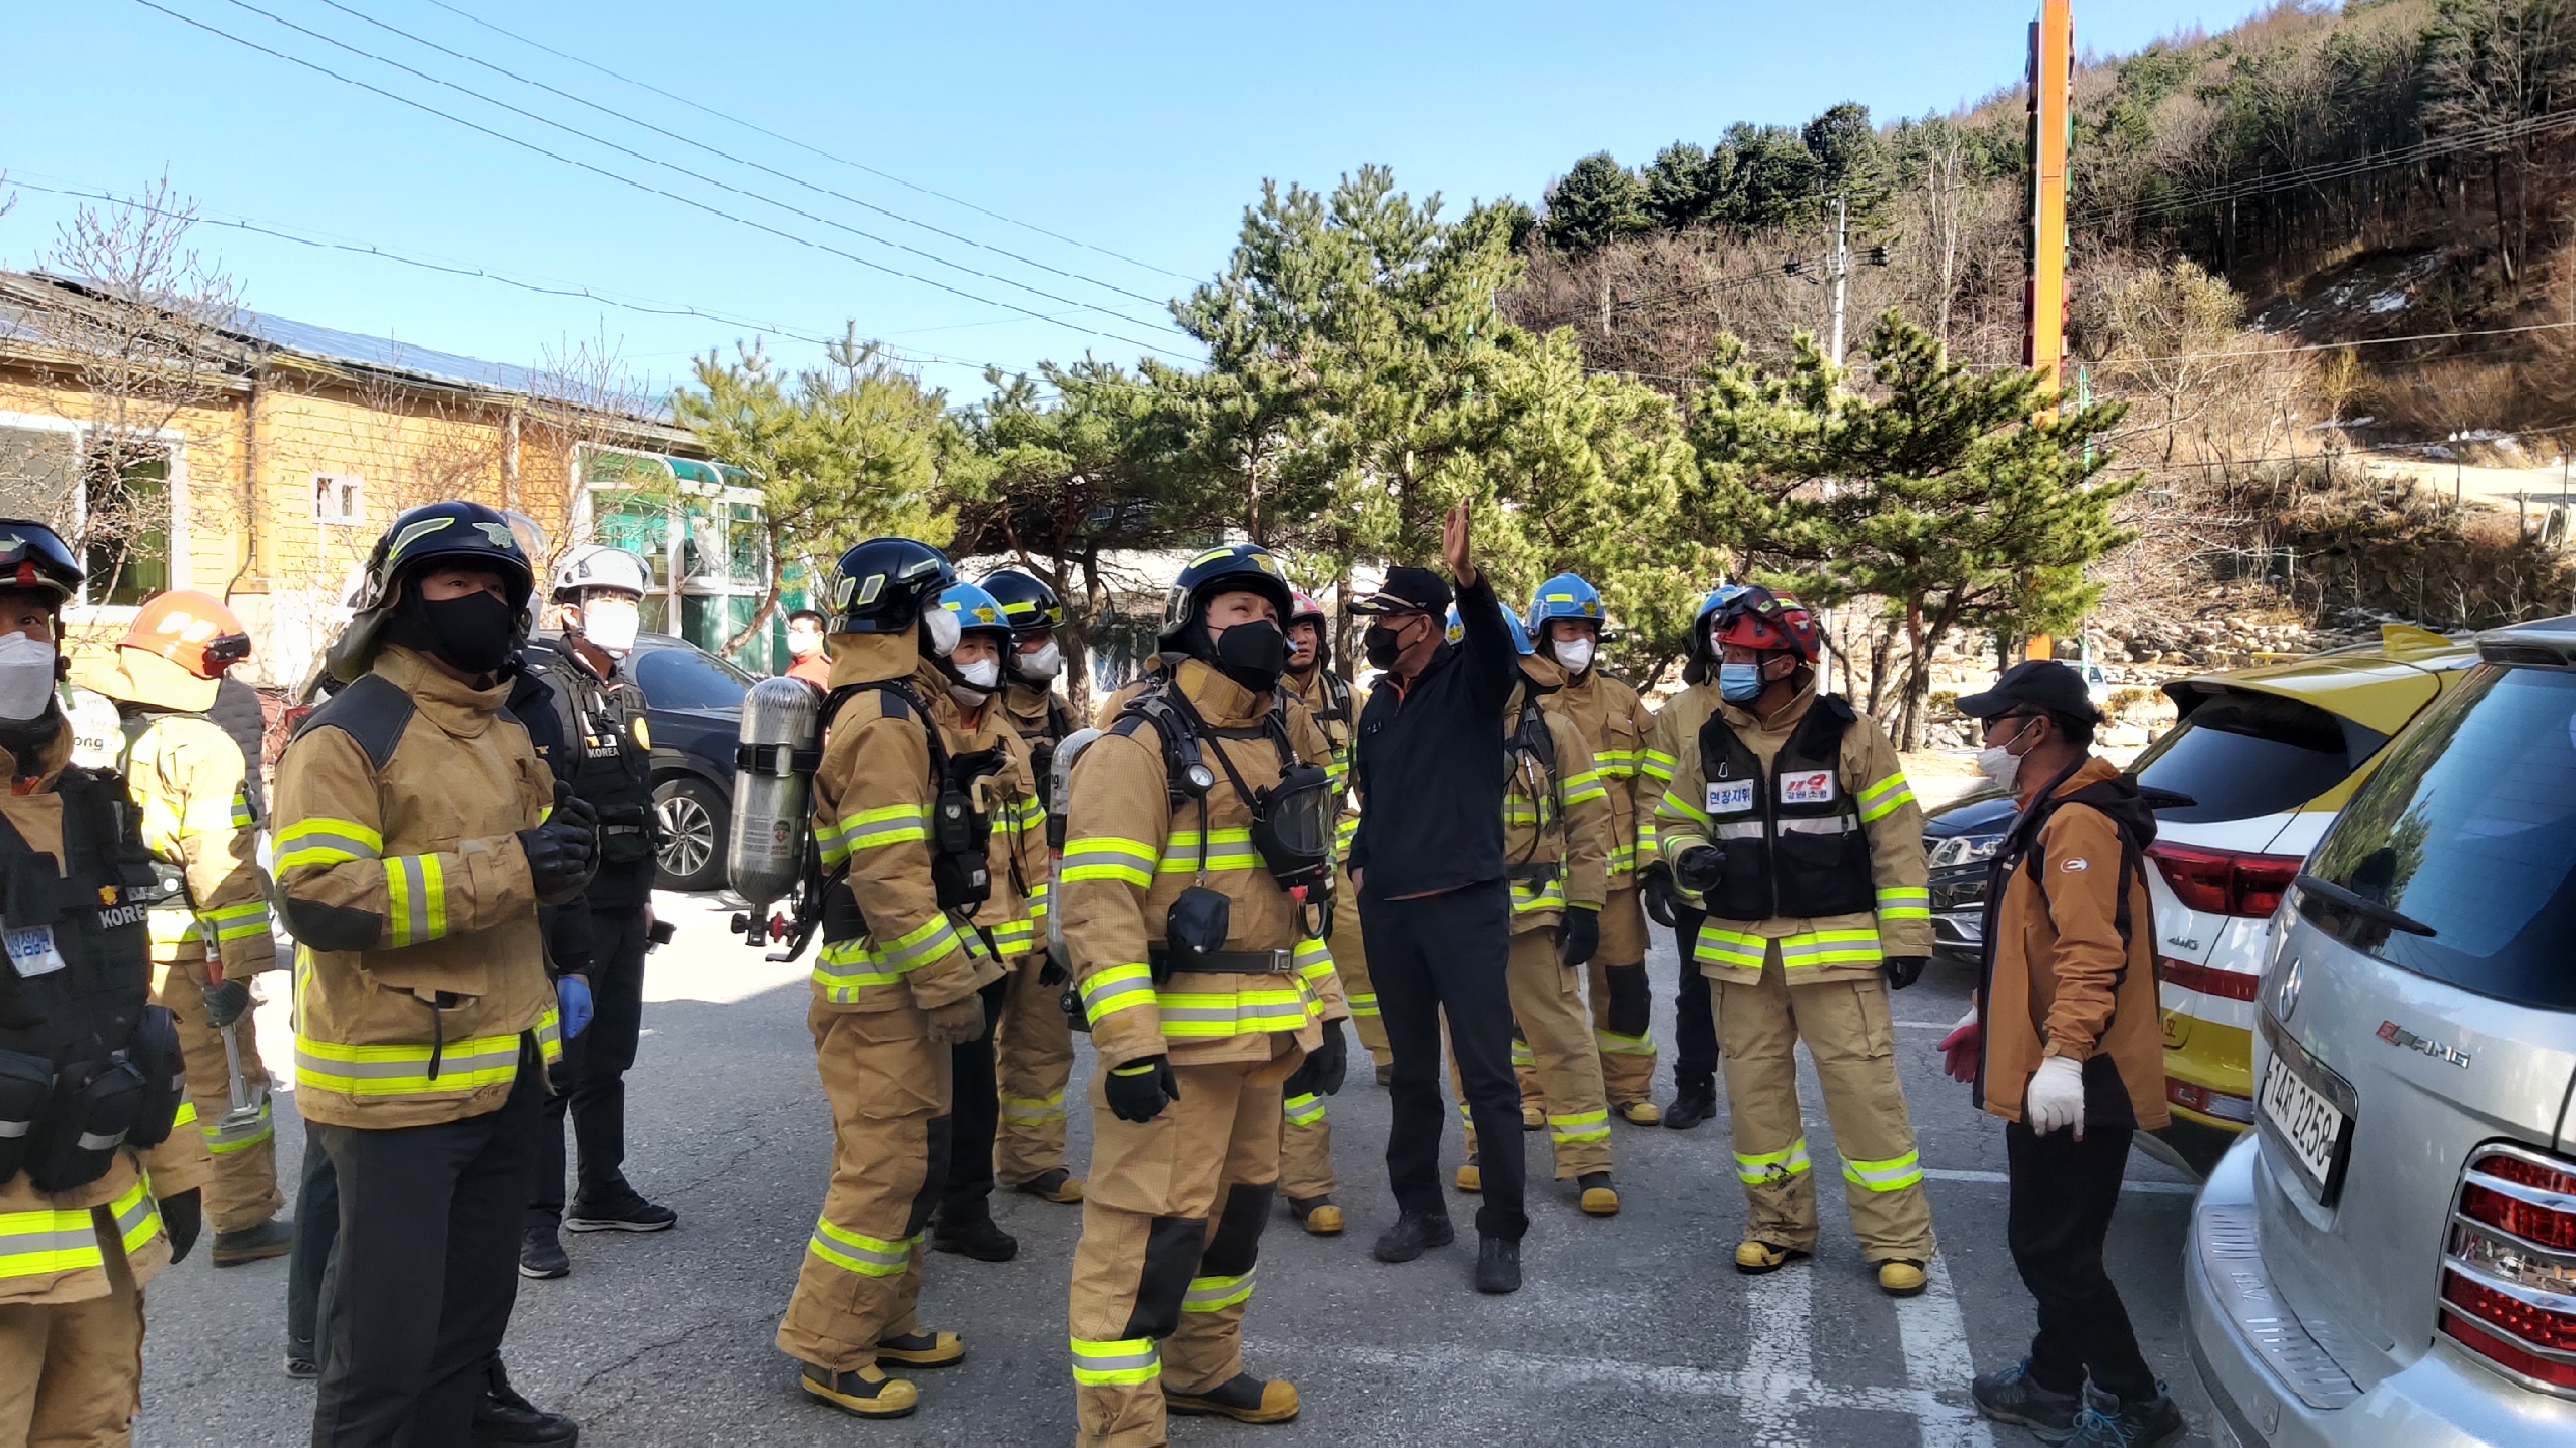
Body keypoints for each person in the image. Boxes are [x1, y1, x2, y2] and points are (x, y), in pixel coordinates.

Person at [274, 500, 595, 1445]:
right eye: (458, 581)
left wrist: (568, 871)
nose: (482, 601)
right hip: (396, 1097)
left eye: (497, 586)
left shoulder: (499, 727)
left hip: (502, 1079)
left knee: (466, 1329)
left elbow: (526, 876)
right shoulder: (348, 732)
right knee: (382, 1351)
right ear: (404, 598)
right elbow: (323, 900)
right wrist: (514, 867)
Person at [1059, 540, 1345, 1444]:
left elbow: (1300, 896)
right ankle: (1119, 1424)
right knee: (1145, 1234)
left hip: (1265, 1036)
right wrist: (1129, 1045)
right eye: (1238, 612)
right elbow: (1097, 905)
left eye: (1269, 614)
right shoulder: (1139, 742)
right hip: (1176, 1043)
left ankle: (1200, 1369)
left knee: (1233, 1219)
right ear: (1192, 625)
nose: (1260, 628)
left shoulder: (1277, 736)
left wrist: (1326, 1011)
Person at [1650, 585, 1937, 1298]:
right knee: (1757, 1101)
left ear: (1786, 662)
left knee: (1866, 1097)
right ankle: (1777, 1227)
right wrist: (1687, 857)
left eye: (1743, 655)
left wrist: (1907, 935)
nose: (1729, 666)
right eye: (1728, 653)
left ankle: (1897, 1241)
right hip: (1741, 959)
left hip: (1835, 955)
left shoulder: (1850, 735)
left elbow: (1897, 839)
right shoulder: (1710, 742)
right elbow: (1674, 821)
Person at [774, 537, 997, 1421]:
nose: (954, 623)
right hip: (882, 988)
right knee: (882, 1169)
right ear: (906, 613)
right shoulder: (885, 719)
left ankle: (886, 1319)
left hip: (890, 984)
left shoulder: (895, 704)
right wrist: (950, 983)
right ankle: (830, 1349)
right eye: (940, 604)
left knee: (913, 1164)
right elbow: (890, 877)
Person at [0, 520, 212, 1446]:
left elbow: (135, 1015)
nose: (21, 641)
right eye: (0, 619)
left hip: (101, 1218)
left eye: (35, 621)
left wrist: (180, 1167)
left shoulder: (94, 806)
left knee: (94, 1424)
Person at [1951, 660, 2187, 1448]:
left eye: (1993, 722)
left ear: (2035, 728)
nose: (1985, 737)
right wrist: (1988, 1016)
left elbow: (2092, 953)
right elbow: (2036, 941)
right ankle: (2052, 1383)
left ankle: (2138, 1402)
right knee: (2068, 1243)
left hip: (2083, 1076)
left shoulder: (2077, 822)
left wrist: (2062, 1058)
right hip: (2061, 1062)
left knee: (2048, 1249)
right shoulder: (2049, 809)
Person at [70, 591, 290, 1265]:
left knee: (116, 1074)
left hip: (101, 938)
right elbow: (223, 871)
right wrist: (244, 970)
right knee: (225, 1083)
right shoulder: (200, 745)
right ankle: (242, 1218)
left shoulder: (81, 726)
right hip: (186, 950)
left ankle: (124, 1214)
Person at [1348, 500, 1526, 1295]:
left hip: (1464, 905)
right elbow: (1376, 800)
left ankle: (1502, 1231)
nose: (1376, 629)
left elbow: (1493, 645)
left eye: (1388, 617)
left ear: (1425, 623)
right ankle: (1419, 1212)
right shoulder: (1379, 703)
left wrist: (1466, 578)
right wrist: (1361, 864)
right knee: (1412, 1075)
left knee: (1487, 1076)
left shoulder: (1472, 681)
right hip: (1392, 912)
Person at [518, 545, 678, 1280]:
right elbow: (544, 811)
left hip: (620, 901)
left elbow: (634, 802)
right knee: (556, 1067)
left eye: (631, 599)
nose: (621, 612)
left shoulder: (625, 692)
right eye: (606, 598)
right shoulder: (546, 693)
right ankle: (534, 1220)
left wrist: (643, 897)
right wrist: (561, 929)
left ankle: (601, 1187)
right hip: (565, 910)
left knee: (608, 1058)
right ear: (569, 610)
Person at [1448, 600, 1622, 1217]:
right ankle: (1484, 1151)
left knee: (1562, 1035)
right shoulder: (1434, 731)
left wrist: (1587, 906)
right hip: (1455, 918)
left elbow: (1590, 823)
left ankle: (1588, 1161)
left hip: (1533, 916)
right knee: (1469, 1043)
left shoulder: (1554, 731)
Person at [919, 580, 1053, 1263]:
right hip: (936, 944)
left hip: (998, 943)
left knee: (976, 1092)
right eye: (967, 646)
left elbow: (1031, 847)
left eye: (991, 648)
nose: (983, 660)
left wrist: (1041, 933)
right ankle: (921, 1209)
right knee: (929, 1093)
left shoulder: (1005, 736)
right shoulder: (914, 729)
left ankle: (964, 1209)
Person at [1523, 573, 1662, 1126]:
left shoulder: (1624, 701)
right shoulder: (1524, 697)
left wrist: (1655, 864)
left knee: (1626, 988)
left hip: (1615, 881)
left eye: (1587, 630)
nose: (1579, 639)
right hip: (1540, 877)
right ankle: (1530, 1091)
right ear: (1541, 634)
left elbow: (1653, 790)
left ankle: (1628, 1086)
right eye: (1567, 630)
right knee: (1533, 993)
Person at [975, 567, 1083, 1207]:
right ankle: (952, 1179)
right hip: (987, 908)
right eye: (1033, 637)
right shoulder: (974, 719)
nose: (1044, 649)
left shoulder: (1064, 717)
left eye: (1048, 635)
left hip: (1048, 905)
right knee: (966, 1052)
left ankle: (1032, 1161)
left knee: (1042, 1041)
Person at [1638, 586, 1744, 1132]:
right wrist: (1657, 866)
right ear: (1703, 639)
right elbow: (1654, 797)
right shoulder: (1678, 714)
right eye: (1720, 628)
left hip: (1772, 886)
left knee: (1764, 1001)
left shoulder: (1792, 709)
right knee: (1696, 991)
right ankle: (1694, 1087)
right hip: (1698, 885)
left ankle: (1760, 1097)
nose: (1730, 639)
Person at [1276, 588, 1363, 1236]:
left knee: (1306, 1040)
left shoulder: (1316, 708)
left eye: (1308, 627)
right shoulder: (1162, 714)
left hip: (1307, 886)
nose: (1296, 638)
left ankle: (1306, 1184)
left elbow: (1338, 791)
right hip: (1212, 918)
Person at [785, 608, 832, 689]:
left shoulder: (827, 670)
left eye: (801, 632)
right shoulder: (794, 665)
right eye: (792, 631)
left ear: (819, 636)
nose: (794, 635)